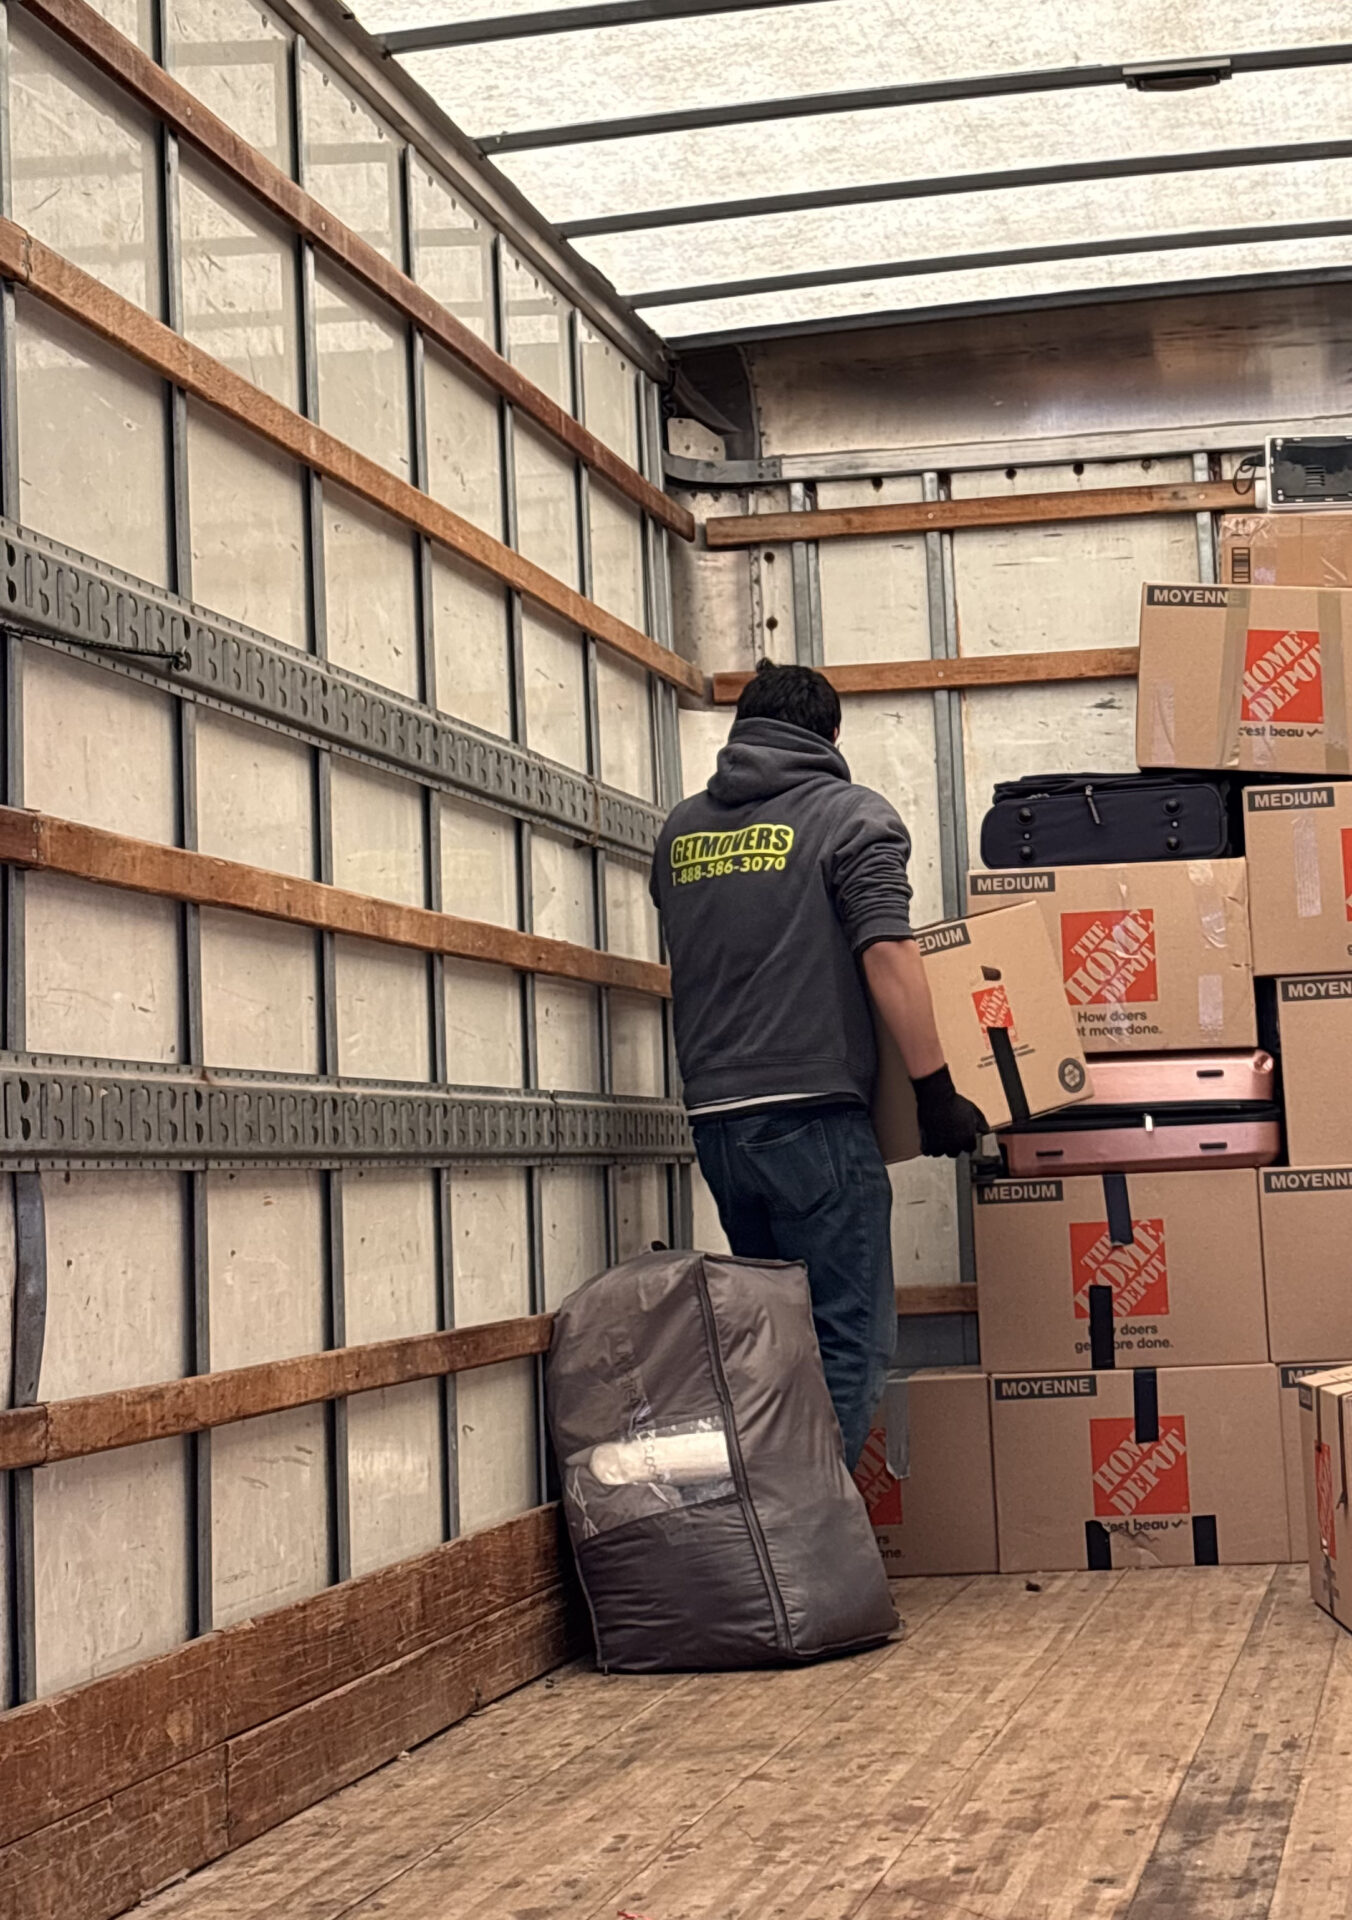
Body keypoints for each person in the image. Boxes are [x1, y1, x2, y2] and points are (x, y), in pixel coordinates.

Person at [650, 659, 985, 1468]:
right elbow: (888, 951)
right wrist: (936, 1091)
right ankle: (799, 1552)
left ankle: (763, 1542)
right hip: (813, 1125)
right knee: (848, 1341)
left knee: (777, 1345)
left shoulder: (680, 834)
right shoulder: (848, 816)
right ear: (831, 736)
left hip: (718, 1127)